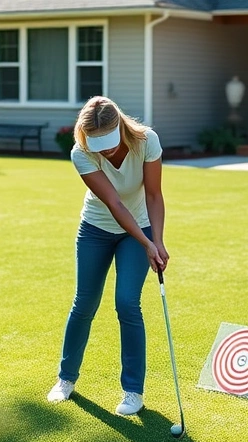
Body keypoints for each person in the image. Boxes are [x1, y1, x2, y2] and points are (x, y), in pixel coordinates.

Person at [47, 96, 169, 416]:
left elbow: (154, 194)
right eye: (100, 146)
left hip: (140, 227)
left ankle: (133, 391)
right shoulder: (81, 152)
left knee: (127, 302)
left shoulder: (147, 141)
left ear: (120, 127)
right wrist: (147, 243)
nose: (107, 152)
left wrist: (157, 241)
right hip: (96, 230)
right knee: (84, 303)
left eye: (111, 144)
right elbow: (114, 204)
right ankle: (66, 379)